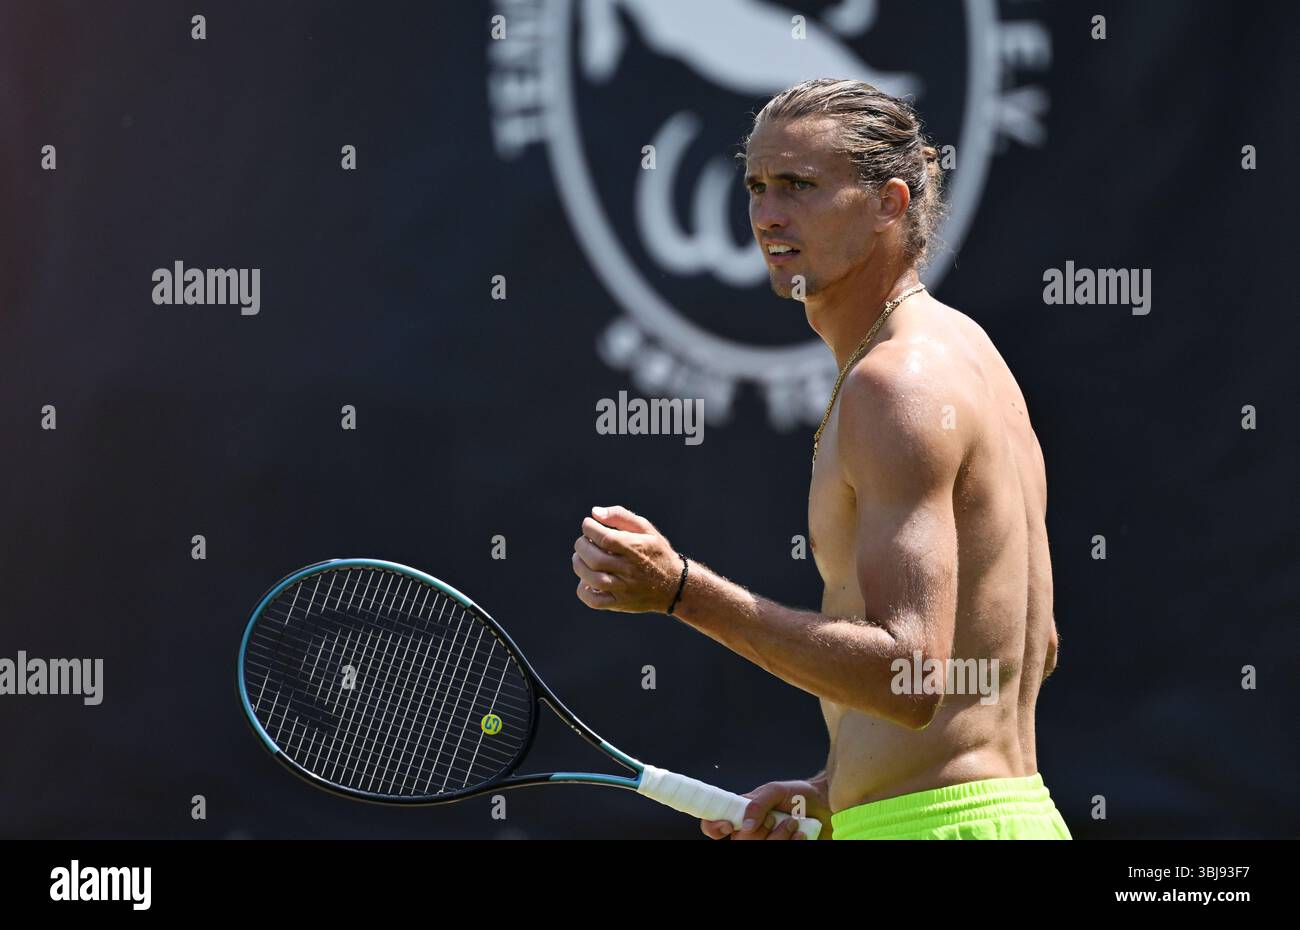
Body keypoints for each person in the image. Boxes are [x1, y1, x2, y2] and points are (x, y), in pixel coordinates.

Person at [572, 78, 1069, 840]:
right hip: (994, 816)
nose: (768, 215)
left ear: (888, 204)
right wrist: (839, 791)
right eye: (758, 186)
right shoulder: (967, 353)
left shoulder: (895, 384)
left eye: (800, 186)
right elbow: (1027, 644)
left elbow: (913, 676)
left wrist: (681, 592)